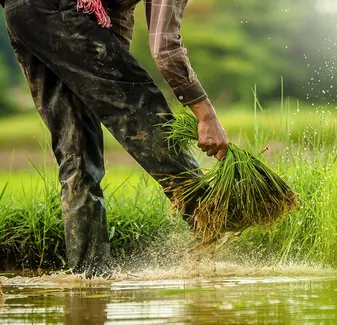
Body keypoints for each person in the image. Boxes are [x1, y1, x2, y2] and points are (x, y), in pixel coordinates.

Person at [1, 0, 229, 277]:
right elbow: (165, 50)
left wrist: (106, 76)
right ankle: (219, 227)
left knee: (77, 150)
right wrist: (206, 115)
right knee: (144, 110)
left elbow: (116, 22)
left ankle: (89, 276)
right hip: (58, 9)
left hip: (22, 13)